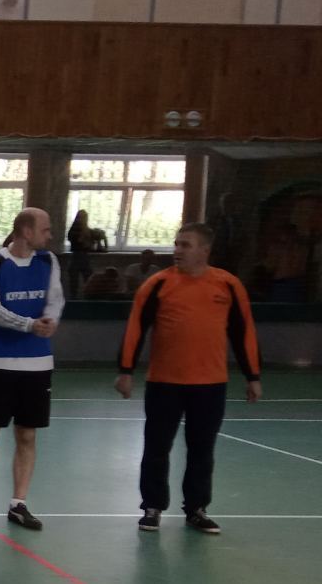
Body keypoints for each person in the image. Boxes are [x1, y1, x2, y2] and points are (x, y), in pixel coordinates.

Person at [117, 223, 261, 534]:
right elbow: (135, 328)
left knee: (202, 450)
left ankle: (196, 508)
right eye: (176, 244)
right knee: (156, 448)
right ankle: (152, 507)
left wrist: (253, 376)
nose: (177, 250)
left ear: (204, 251)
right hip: (164, 383)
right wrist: (125, 371)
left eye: (185, 245)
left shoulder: (228, 285)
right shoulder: (157, 284)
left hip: (210, 385)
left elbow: (243, 332)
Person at [0, 208, 64, 531]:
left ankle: (18, 504)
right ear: (26, 231)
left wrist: (50, 321)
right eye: (45, 229)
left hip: (38, 364)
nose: (49, 235)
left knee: (27, 435)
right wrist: (29, 325)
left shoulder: (48, 261)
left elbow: (55, 299)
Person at [67, 210, 96, 297]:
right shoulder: (74, 230)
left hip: (84, 256)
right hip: (77, 256)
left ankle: (88, 297)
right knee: (74, 281)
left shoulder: (88, 231)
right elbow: (75, 241)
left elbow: (91, 244)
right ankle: (74, 298)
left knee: (88, 279)